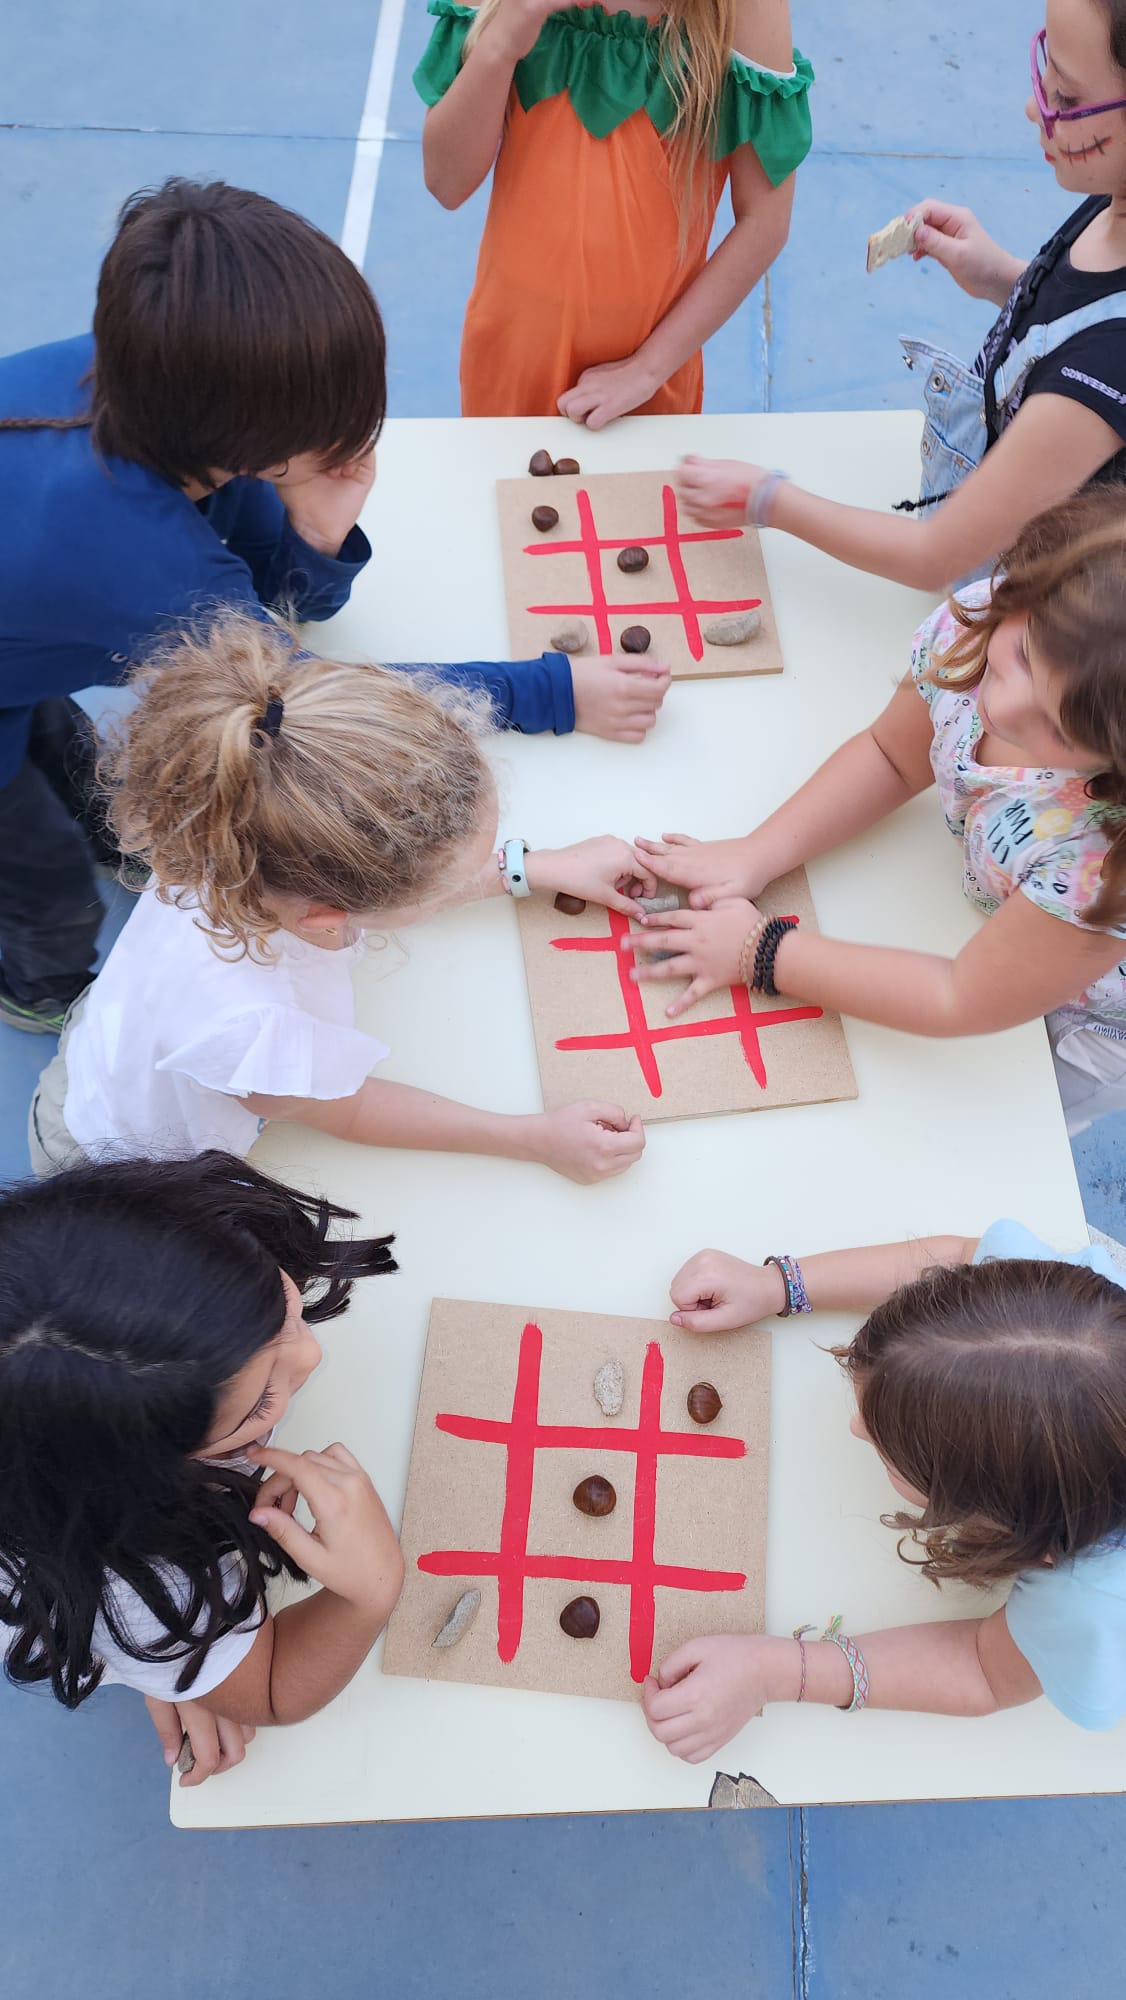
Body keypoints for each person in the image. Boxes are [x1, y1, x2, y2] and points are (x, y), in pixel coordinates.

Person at [0, 178, 669, 1036]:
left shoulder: (161, 383)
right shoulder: (141, 560)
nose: (354, 432)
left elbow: (276, 598)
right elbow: (313, 718)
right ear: (243, 441)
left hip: (27, 630)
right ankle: (41, 988)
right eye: (324, 425)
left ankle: (97, 847)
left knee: (61, 752)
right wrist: (549, 693)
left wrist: (318, 529)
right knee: (39, 879)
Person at [28, 613, 656, 1182]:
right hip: (109, 1170)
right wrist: (532, 1139)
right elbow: (350, 1109)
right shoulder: (259, 1030)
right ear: (328, 912)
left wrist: (532, 867)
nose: (456, 884)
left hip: (114, 1034)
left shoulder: (226, 812)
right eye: (445, 879)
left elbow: (388, 883)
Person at [625, 490, 1126, 1135]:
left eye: (1057, 730)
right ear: (1024, 590)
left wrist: (761, 951)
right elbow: (893, 755)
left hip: (1083, 1021)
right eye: (1024, 658)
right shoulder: (979, 627)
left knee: (1013, 1131)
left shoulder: (1100, 863)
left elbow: (961, 997)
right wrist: (760, 851)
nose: (1005, 711)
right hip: (998, 923)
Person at [677, 0, 1126, 589]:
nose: (1032, 107)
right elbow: (1076, 329)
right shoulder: (1112, 194)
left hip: (1011, 610)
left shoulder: (1108, 369)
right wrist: (999, 277)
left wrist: (767, 499)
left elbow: (934, 555)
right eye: (1043, 70)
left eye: (1065, 99)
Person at [642, 1220, 1126, 1760]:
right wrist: (780, 1284)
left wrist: (773, 1671)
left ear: (1004, 1523)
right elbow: (956, 1256)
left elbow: (985, 1670)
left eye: (886, 1445)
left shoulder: (1091, 1600)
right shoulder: (1076, 1323)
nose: (854, 1427)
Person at [0, 1150, 403, 1787]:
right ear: (145, 1478)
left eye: (277, 1300)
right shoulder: (135, 1585)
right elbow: (271, 1689)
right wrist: (369, 1592)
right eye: (263, 1400)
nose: (313, 1351)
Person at [415, 0, 812, 423]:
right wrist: (504, 37)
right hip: (509, 360)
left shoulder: (744, 9)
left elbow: (765, 222)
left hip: (640, 392)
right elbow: (447, 182)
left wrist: (647, 369)